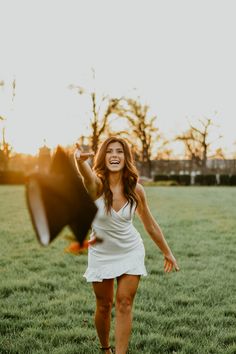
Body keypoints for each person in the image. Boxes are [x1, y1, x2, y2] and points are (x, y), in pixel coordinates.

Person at [74, 137, 179, 354]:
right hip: (101, 253)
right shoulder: (97, 186)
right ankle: (106, 349)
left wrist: (167, 252)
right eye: (110, 151)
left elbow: (149, 224)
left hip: (130, 250)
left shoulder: (136, 190)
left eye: (119, 151)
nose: (114, 155)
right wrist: (79, 160)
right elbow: (86, 175)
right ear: (104, 156)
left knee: (124, 303)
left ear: (126, 157)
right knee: (104, 306)